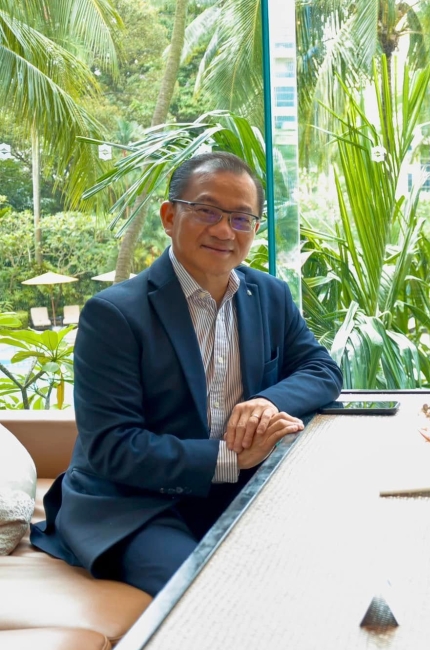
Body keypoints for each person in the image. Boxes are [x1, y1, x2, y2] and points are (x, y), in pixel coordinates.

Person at [32, 152, 343, 596]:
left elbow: (321, 369)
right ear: (168, 216)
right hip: (134, 502)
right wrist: (231, 458)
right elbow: (111, 448)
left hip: (238, 489)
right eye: (207, 211)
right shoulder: (115, 314)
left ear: (255, 229)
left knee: (320, 566)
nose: (223, 230)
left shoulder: (267, 294)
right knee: (208, 594)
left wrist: (268, 402)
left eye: (240, 218)